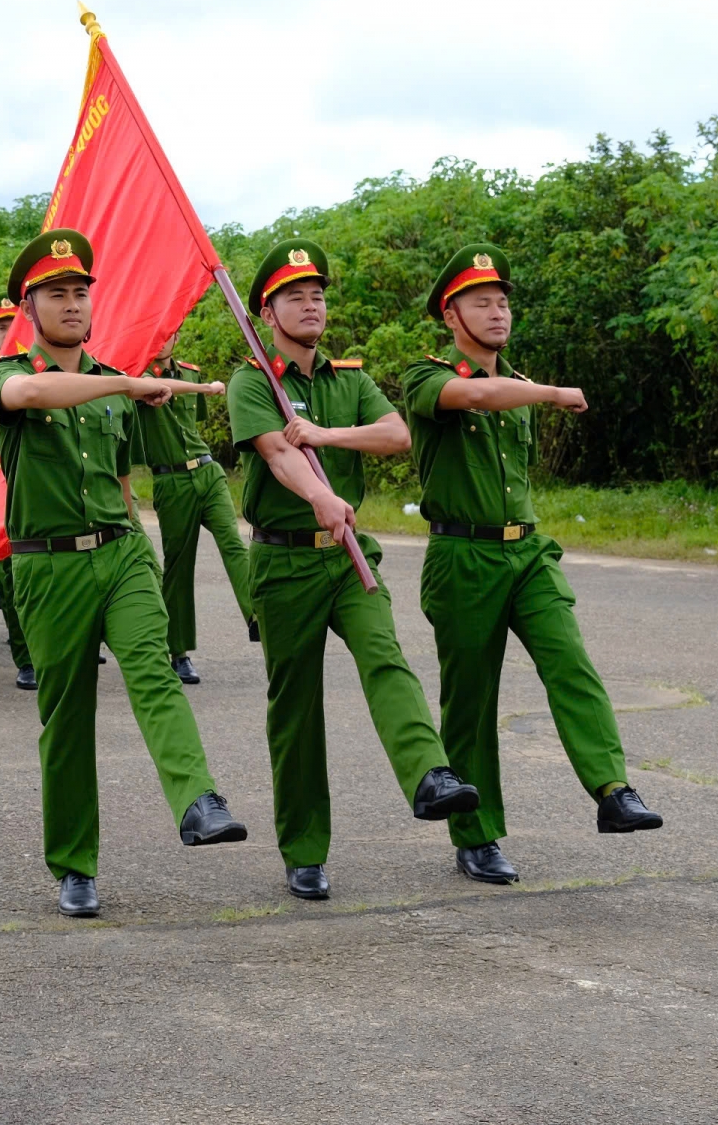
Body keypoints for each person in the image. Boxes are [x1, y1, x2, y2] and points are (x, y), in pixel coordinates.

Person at [0, 229, 247, 918]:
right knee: (67, 718)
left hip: (120, 552)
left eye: (80, 292)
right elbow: (32, 394)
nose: (71, 304)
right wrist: (126, 380)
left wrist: (142, 550)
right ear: (27, 308)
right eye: (55, 294)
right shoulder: (1, 375)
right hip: (49, 567)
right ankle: (74, 864)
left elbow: (125, 475)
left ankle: (199, 800)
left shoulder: (117, 388)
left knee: (153, 670)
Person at [226, 240, 479, 901]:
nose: (310, 306)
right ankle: (305, 850)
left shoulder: (348, 379)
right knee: (297, 708)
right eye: (294, 297)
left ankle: (430, 776)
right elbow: (277, 457)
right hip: (284, 561)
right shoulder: (254, 380)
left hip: (348, 558)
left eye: (317, 295)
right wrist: (320, 495)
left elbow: (396, 434)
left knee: (385, 657)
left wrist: (327, 437)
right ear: (266, 311)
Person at [404, 244, 662, 885]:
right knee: (471, 702)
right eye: (479, 303)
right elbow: (471, 398)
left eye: (502, 302)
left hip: (527, 551)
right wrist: (546, 393)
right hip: (463, 555)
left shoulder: (519, 388)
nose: (496, 313)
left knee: (570, 662)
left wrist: (532, 392)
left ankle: (612, 789)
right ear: (450, 316)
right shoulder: (426, 376)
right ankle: (477, 835)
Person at [131, 330, 256, 683]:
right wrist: (206, 389)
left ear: (178, 336)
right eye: (154, 334)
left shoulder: (191, 371)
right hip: (171, 482)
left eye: (168, 334)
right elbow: (155, 392)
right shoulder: (136, 378)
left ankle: (257, 616)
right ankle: (178, 652)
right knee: (179, 566)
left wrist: (201, 384)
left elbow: (190, 425)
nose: (161, 341)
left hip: (207, 470)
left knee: (233, 543)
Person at [0, 292, 35, 689]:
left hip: (35, 485)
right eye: (3, 328)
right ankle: (26, 657)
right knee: (11, 575)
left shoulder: (53, 368)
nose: (12, 333)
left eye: (16, 324)